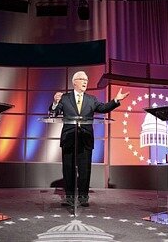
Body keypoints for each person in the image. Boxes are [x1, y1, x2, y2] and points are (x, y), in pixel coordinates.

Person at [49, 71, 129, 207]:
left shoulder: (92, 99)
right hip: (69, 138)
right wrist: (55, 103)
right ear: (74, 82)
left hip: (85, 138)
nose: (85, 81)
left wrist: (116, 100)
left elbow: (103, 108)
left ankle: (83, 197)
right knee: (68, 168)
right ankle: (69, 197)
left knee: (85, 169)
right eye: (82, 79)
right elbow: (54, 112)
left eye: (86, 79)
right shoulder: (65, 98)